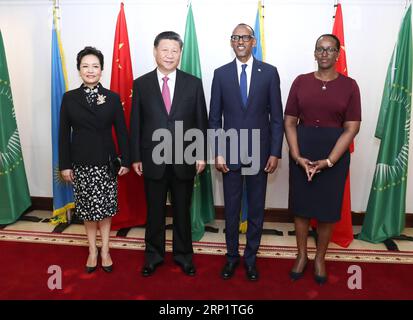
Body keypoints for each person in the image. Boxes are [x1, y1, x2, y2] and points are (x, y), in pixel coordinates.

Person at [284, 34, 361, 285]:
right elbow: (289, 121)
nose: (324, 53)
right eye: (320, 49)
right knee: (302, 207)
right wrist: (296, 156)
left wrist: (329, 161)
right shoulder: (301, 82)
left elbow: (351, 128)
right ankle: (302, 255)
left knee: (327, 211)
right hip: (302, 152)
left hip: (333, 157)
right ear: (314, 53)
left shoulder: (350, 86)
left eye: (330, 49)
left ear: (338, 54)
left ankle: (320, 258)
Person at [209, 23, 284, 281]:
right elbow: (214, 119)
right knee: (230, 210)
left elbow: (277, 118)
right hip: (228, 156)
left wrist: (275, 152)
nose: (240, 41)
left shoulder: (269, 73)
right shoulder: (220, 74)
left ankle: (251, 259)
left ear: (253, 42)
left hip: (260, 156)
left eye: (245, 37)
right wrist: (217, 152)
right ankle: (231, 258)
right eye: (235, 37)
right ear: (231, 42)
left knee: (255, 210)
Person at [130, 31, 208, 277]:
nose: (169, 55)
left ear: (180, 54)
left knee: (182, 211)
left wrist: (201, 154)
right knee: (154, 212)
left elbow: (201, 122)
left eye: (175, 50)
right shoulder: (141, 83)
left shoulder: (193, 83)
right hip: (152, 159)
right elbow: (136, 123)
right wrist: (135, 157)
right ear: (155, 51)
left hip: (184, 159)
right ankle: (153, 255)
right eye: (165, 50)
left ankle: (184, 256)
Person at [59, 46, 130, 273]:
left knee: (105, 211)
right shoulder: (69, 98)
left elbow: (121, 132)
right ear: (79, 70)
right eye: (85, 66)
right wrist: (65, 165)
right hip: (81, 164)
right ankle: (92, 250)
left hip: (106, 163)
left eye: (95, 66)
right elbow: (63, 134)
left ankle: (106, 250)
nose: (90, 71)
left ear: (101, 70)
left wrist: (126, 160)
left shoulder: (111, 98)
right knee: (88, 211)